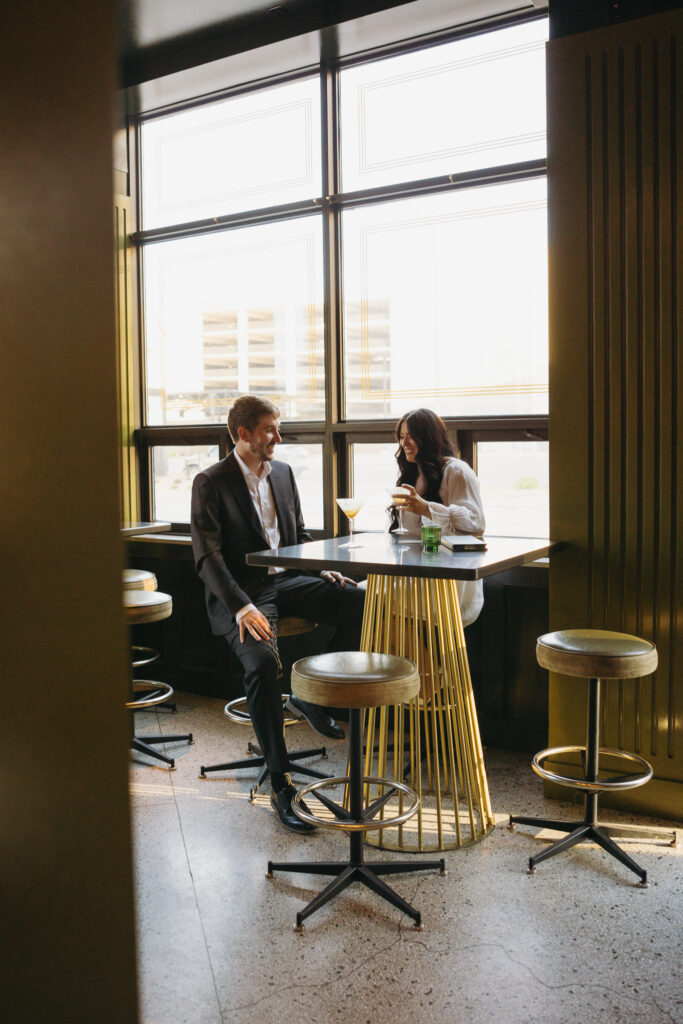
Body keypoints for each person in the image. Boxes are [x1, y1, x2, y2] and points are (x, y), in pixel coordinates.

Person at [191, 395, 365, 835]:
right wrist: (242, 607)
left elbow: (297, 534)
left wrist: (316, 564)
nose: (278, 437)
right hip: (242, 593)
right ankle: (281, 782)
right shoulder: (210, 481)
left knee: (362, 600)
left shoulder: (284, 474)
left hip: (288, 580)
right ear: (244, 433)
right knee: (264, 664)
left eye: (278, 428)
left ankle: (310, 699)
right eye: (270, 429)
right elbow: (207, 558)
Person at [390, 407, 486, 627]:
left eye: (412, 436)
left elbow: (476, 523)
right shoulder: (415, 475)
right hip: (419, 575)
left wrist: (426, 508)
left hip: (450, 584)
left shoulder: (457, 471)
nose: (405, 443)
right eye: (402, 437)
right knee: (360, 597)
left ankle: (413, 661)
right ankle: (415, 661)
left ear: (429, 437)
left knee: (370, 602)